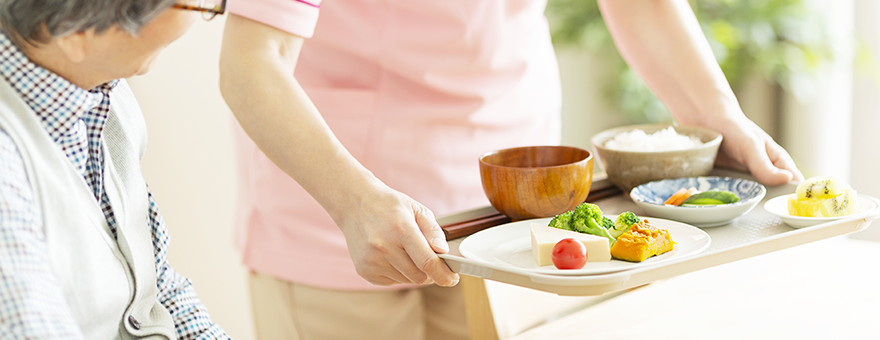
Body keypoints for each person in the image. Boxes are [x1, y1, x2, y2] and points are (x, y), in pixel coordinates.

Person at [218, 0, 804, 339]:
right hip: (336, 201)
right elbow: (253, 61)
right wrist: (352, 200)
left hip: (512, 214)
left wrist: (719, 120)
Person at [0, 0, 231, 338]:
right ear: (74, 30)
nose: (208, 9)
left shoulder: (101, 89)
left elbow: (155, 286)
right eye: (194, 3)